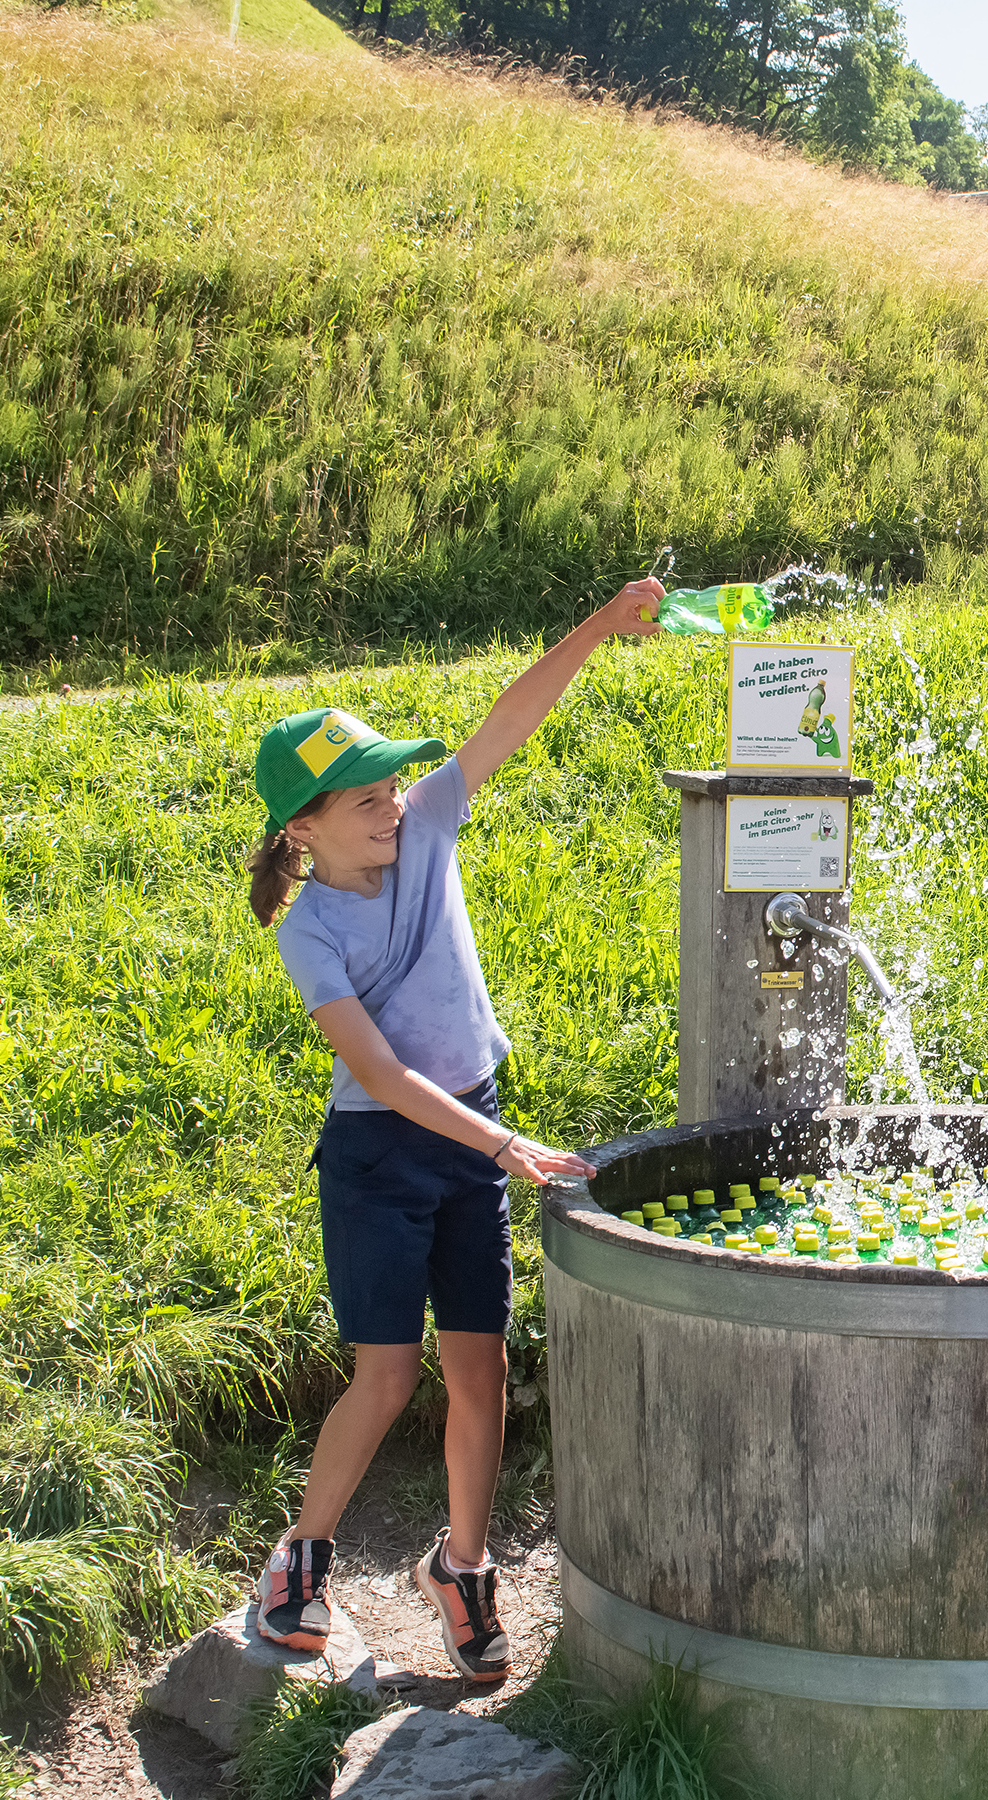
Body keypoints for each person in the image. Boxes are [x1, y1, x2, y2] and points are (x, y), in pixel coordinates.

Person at [241, 579, 662, 1680]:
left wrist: (597, 624)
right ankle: (301, 1559)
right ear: (303, 829)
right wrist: (504, 1148)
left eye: (389, 786)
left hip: (470, 1136)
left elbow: (508, 719)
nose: (391, 807)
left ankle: (461, 1573)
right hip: (380, 1160)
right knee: (383, 1377)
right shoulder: (310, 932)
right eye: (362, 801)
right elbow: (374, 1072)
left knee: (476, 1371)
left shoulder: (430, 827)